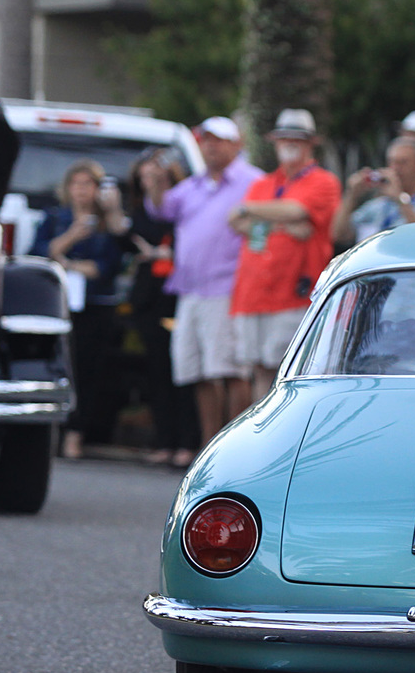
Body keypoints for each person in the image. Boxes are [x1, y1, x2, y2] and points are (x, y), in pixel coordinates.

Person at [149, 116, 263, 447]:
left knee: (230, 371)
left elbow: (263, 232)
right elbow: (161, 211)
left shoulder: (253, 182)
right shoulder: (194, 185)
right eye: (207, 140)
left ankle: (235, 449)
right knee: (197, 372)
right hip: (190, 291)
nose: (211, 146)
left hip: (228, 290)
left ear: (236, 144)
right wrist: (157, 183)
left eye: (219, 140)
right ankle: (209, 446)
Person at [229, 109, 341, 402]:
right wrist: (283, 223)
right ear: (275, 142)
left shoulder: (324, 181)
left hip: (294, 293)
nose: (290, 142)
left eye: (298, 138)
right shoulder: (262, 183)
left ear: (309, 144)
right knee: (258, 371)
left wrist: (253, 211)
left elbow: (296, 211)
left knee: (289, 375)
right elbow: (236, 220)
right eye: (284, 138)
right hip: (253, 292)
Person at [31, 159, 128, 459]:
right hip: (58, 303)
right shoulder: (55, 218)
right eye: (77, 184)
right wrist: (71, 237)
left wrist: (69, 262)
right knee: (54, 365)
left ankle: (76, 434)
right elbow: (38, 253)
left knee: (87, 370)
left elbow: (108, 266)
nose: (82, 190)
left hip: (95, 305)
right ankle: (48, 431)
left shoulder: (106, 223)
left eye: (88, 184)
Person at [125, 148, 200, 467]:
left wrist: (167, 256)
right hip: (149, 298)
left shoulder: (187, 201)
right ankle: (164, 439)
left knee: (184, 371)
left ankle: (189, 441)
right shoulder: (140, 210)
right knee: (157, 369)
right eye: (144, 176)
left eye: (156, 173)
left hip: (180, 295)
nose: (149, 179)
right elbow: (129, 242)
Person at [334, 136, 415, 245]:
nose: (395, 169)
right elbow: (339, 235)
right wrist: (351, 196)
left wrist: (400, 199)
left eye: (403, 163)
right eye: (392, 162)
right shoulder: (378, 206)